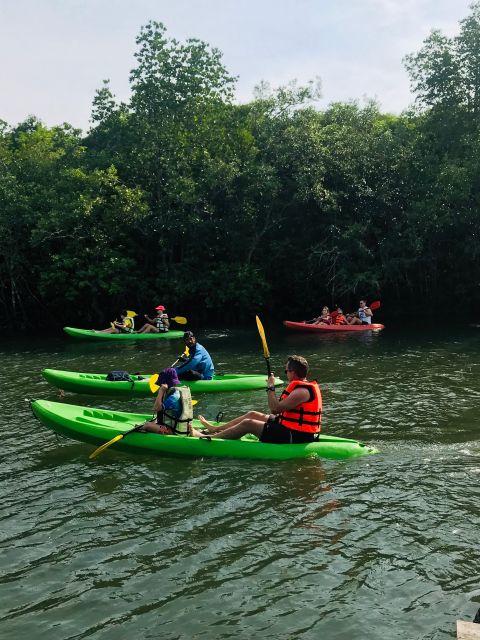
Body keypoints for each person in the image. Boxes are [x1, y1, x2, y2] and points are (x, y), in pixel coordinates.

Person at [191, 355, 322, 443]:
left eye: (286, 371)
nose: (286, 373)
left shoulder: (302, 391)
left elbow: (275, 408)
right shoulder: (301, 388)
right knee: (253, 414)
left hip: (296, 436)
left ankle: (209, 437)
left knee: (248, 423)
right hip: (288, 427)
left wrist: (270, 386)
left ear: (293, 372)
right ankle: (215, 429)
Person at [139, 368, 193, 435]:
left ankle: (140, 431)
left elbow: (156, 408)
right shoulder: (176, 392)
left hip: (174, 430)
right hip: (180, 427)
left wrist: (161, 391)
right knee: (154, 420)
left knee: (147, 425)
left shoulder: (173, 398)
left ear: (164, 384)